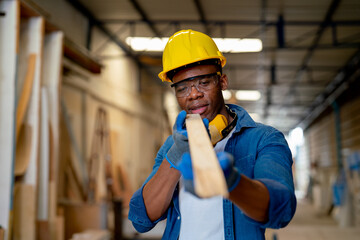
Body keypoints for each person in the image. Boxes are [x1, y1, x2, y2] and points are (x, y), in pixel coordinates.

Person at [128, 29, 296, 240]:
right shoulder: (173, 145)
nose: (193, 94)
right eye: (182, 88)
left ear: (222, 82)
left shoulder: (264, 139)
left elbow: (282, 210)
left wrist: (232, 183)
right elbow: (140, 219)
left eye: (204, 83)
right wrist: (175, 157)